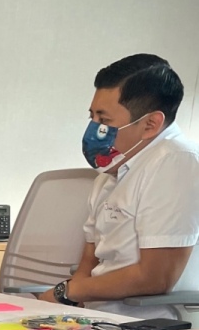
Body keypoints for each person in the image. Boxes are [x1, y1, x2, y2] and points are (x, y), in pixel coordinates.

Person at [40, 54, 199, 316]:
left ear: (150, 124)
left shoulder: (177, 162)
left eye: (104, 121)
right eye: (92, 117)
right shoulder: (112, 171)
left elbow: (156, 277)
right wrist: (66, 306)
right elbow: (90, 260)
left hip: (149, 325)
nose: (94, 129)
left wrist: (67, 292)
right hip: (100, 318)